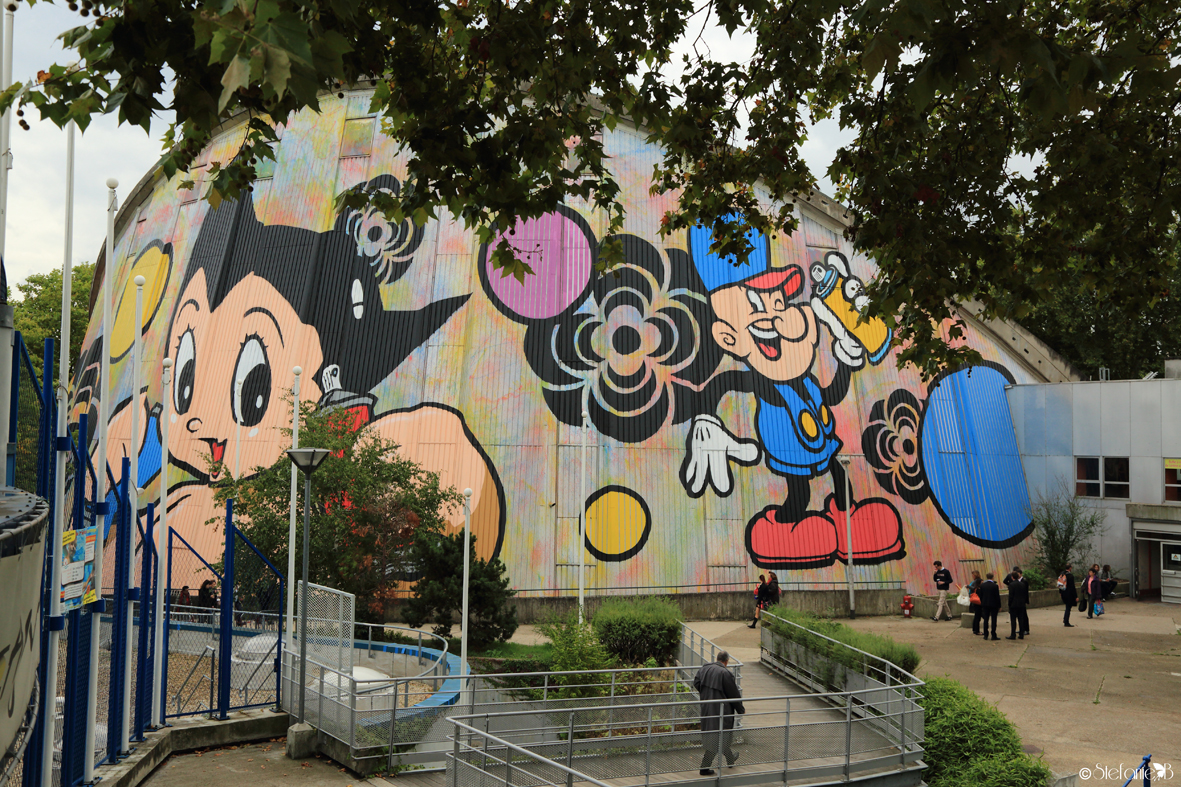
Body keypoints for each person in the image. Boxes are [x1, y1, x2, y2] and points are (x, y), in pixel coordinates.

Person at [694, 651, 745, 775]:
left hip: (707, 708)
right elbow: (733, 694)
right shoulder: (725, 673)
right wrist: (740, 709)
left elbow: (696, 683)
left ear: (717, 659)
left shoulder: (704, 669)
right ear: (726, 661)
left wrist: (706, 694)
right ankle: (704, 767)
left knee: (719, 736)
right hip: (722, 711)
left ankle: (730, 759)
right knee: (718, 738)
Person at [1003, 567, 1029, 640]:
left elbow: (1011, 596)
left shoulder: (1011, 585)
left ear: (1012, 577)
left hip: (1014, 605)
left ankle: (1013, 634)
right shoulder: (1022, 584)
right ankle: (1021, 634)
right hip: (1021, 604)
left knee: (1013, 620)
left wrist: (1009, 604)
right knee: (1021, 619)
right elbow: (1024, 594)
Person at [977, 572, 1001, 640]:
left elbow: (980, 595)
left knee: (986, 619)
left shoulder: (982, 585)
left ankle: (986, 634)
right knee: (994, 619)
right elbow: (997, 596)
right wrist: (999, 605)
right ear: (993, 577)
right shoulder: (995, 586)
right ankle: (993, 634)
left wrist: (982, 602)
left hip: (985, 604)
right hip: (994, 604)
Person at [966, 570, 983, 635]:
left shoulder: (975, 582)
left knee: (976, 616)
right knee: (978, 616)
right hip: (978, 602)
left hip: (974, 601)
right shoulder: (978, 587)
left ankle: (975, 629)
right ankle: (977, 630)